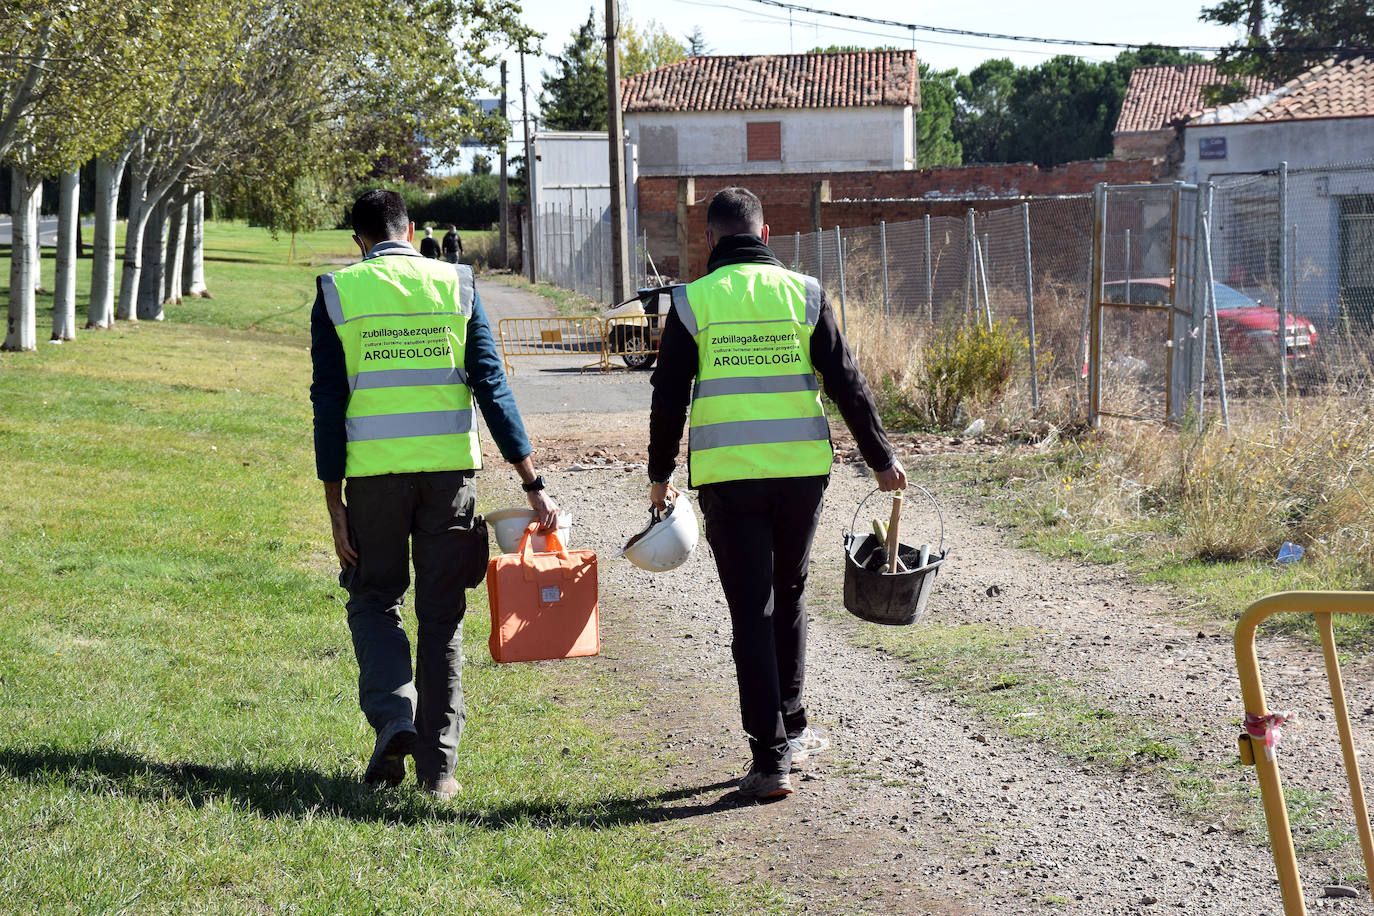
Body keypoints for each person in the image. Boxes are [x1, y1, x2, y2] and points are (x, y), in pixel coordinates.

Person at [646, 187, 906, 801]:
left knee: (751, 609)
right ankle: (791, 724)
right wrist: (881, 460)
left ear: (710, 241)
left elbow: (668, 395)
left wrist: (660, 476)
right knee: (787, 594)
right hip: (800, 475)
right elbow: (846, 380)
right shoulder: (806, 293)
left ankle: (770, 759)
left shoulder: (691, 302)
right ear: (765, 236)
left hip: (729, 478)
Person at [310, 189, 558, 800]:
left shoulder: (337, 293)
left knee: (373, 600)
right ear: (411, 228)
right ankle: (438, 771)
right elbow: (492, 387)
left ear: (359, 240)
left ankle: (396, 716)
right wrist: (532, 484)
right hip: (449, 480)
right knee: (441, 617)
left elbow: (328, 401)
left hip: (372, 480)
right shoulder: (457, 286)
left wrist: (333, 499)